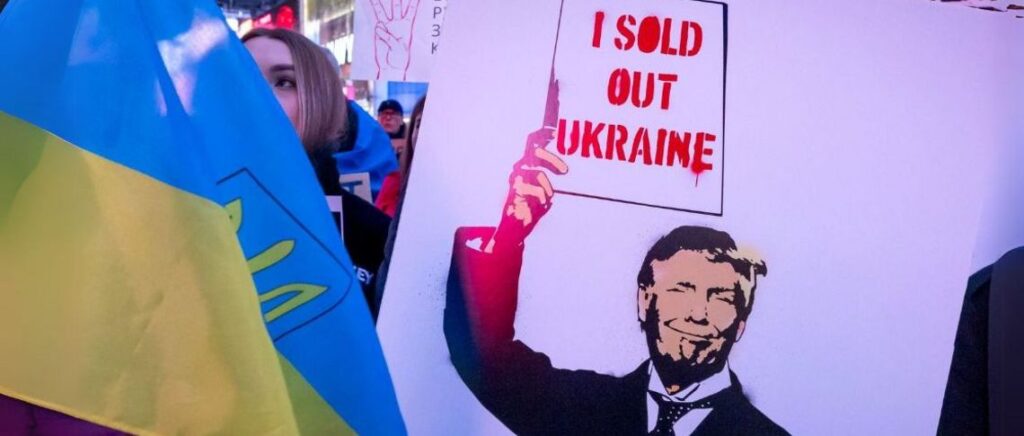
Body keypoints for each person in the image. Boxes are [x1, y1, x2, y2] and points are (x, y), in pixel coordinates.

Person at [443, 124, 787, 435]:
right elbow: (482, 354)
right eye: (681, 290)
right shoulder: (585, 409)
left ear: (741, 324)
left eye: (720, 297)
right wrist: (508, 234)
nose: (698, 313)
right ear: (644, 300)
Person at [242, 28, 391, 319]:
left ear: (322, 100)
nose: (254, 92)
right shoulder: (175, 211)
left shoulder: (376, 238)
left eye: (284, 82)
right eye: (238, 77)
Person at [375, 97, 424, 217]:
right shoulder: (393, 182)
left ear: (402, 119)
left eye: (393, 114)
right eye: (384, 114)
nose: (388, 118)